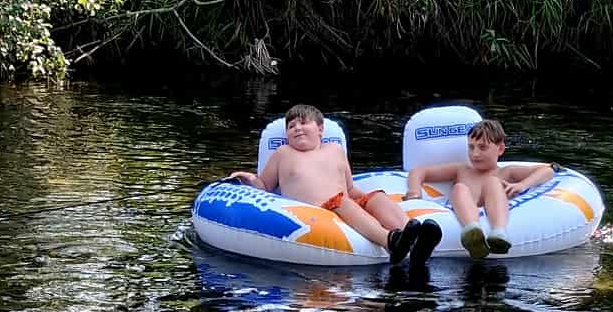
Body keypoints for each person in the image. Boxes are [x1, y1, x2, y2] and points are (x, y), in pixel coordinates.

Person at [230, 104, 441, 268]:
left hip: (342, 200)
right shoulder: (283, 154)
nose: (297, 128)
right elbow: (265, 185)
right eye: (291, 126)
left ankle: (415, 236)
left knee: (375, 196)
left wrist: (374, 199)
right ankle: (391, 241)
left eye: (303, 123)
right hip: (316, 210)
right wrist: (247, 178)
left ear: (320, 129)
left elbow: (349, 188)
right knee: (342, 201)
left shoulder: (335, 150)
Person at [406, 117, 551, 261]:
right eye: (471, 147)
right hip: (464, 211)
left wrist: (522, 185)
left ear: (500, 149)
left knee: (493, 182)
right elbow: (419, 171)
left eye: (482, 147)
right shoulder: (461, 170)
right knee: (460, 188)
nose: (475, 154)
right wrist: (414, 192)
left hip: (493, 209)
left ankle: (498, 232)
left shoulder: (506, 172)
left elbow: (547, 171)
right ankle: (472, 231)